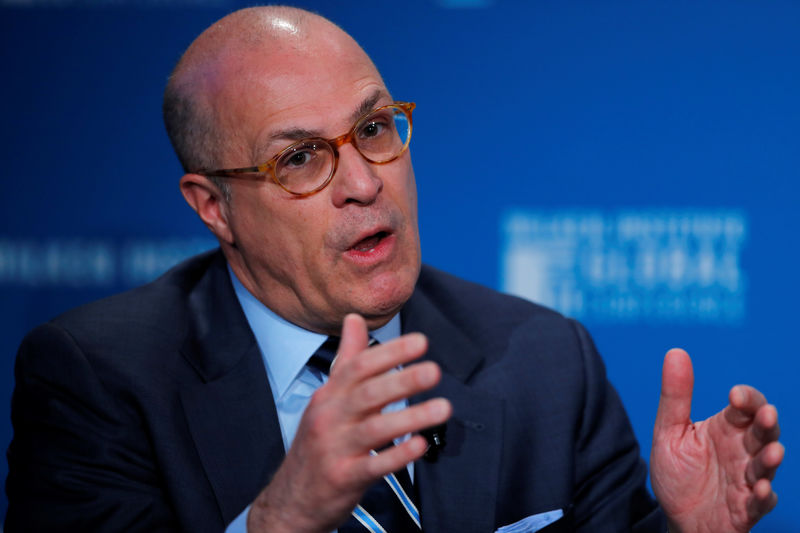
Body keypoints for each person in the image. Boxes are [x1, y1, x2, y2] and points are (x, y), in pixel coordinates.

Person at [5, 6, 783, 533]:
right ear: (212, 207)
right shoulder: (98, 378)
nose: (366, 181)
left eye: (375, 128)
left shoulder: (546, 359)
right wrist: (284, 516)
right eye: (301, 157)